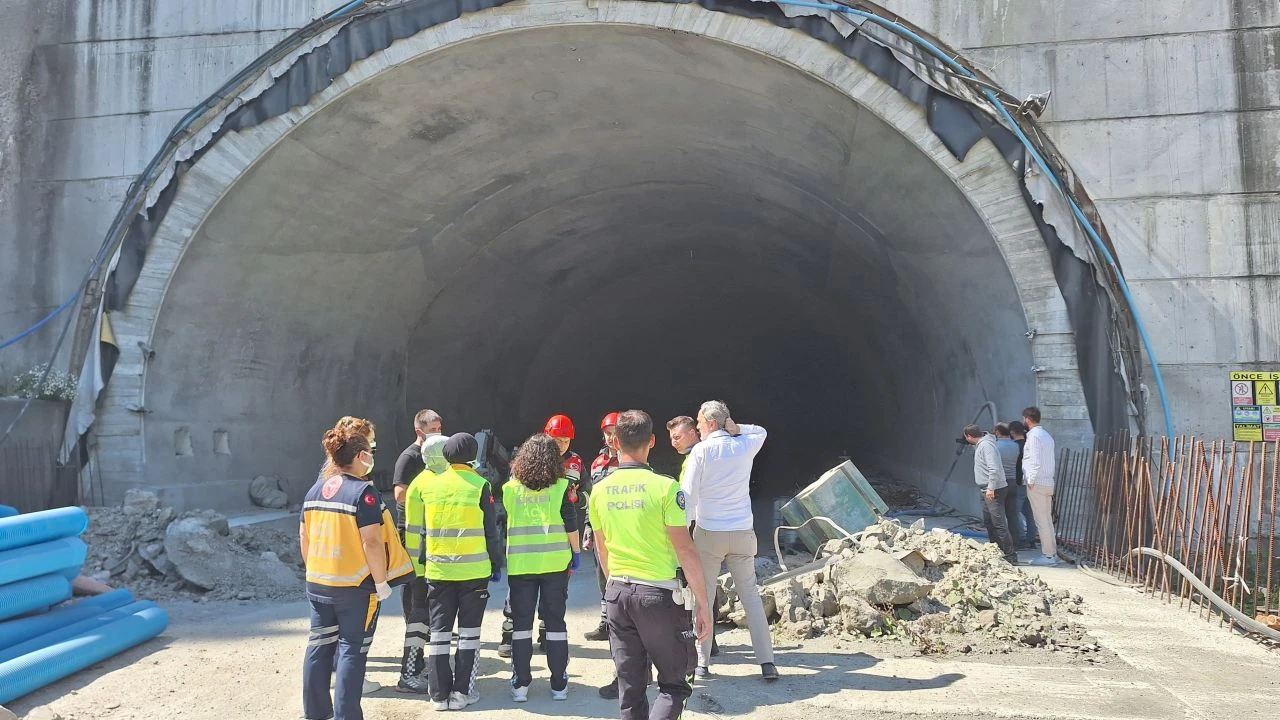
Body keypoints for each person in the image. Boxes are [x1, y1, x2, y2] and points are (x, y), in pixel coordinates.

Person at [589, 410, 713, 720]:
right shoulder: (665, 488)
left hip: (617, 591)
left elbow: (602, 551)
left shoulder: (599, 491)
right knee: (675, 685)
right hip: (658, 597)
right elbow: (685, 549)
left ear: (615, 443)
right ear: (652, 441)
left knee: (630, 688)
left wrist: (614, 589)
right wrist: (703, 604)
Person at [301, 421, 414, 720]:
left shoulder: (315, 490)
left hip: (318, 582)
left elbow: (304, 537)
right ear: (361, 456)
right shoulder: (363, 493)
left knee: (319, 645)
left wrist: (314, 569)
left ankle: (316, 713)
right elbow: (372, 542)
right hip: (354, 586)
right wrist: (381, 582)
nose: (373, 456)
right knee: (352, 649)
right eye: (371, 451)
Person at [680, 401, 777, 681]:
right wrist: (736, 428)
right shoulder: (744, 445)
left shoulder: (701, 451)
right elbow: (761, 432)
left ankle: (703, 662)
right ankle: (767, 663)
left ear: (710, 424)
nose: (697, 427)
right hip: (743, 532)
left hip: (709, 533)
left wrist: (685, 534)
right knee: (751, 597)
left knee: (704, 595)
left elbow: (688, 495)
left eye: (699, 422)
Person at [413, 432, 503, 711]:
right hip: (473, 572)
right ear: (473, 456)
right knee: (469, 633)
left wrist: (425, 561)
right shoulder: (479, 485)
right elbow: (491, 531)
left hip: (439, 571)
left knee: (439, 632)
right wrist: (496, 563)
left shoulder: (432, 486)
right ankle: (462, 693)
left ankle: (439, 695)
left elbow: (426, 532)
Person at [503, 433, 581, 702]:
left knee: (521, 624)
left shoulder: (509, 489)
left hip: (521, 565)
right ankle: (559, 685)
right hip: (554, 564)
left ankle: (521, 684)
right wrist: (577, 552)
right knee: (555, 623)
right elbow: (570, 523)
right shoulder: (561, 487)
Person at [391, 409, 443, 693]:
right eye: (434, 429)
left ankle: (419, 657)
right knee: (417, 603)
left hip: (424, 540)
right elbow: (399, 493)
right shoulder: (410, 459)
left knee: (421, 606)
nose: (438, 434)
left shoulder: (430, 470)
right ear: (420, 431)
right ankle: (410, 669)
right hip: (411, 536)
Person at [584, 411, 620, 643]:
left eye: (615, 434)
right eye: (607, 434)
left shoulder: (633, 460)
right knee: (602, 576)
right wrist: (588, 526)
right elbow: (592, 498)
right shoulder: (597, 463)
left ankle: (622, 622)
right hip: (602, 530)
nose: (610, 438)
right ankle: (607, 621)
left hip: (624, 529)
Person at [964, 424, 1018, 564]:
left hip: (994, 490)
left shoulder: (987, 446)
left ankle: (1010, 555)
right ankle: (996, 551)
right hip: (986, 489)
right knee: (989, 522)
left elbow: (993, 468)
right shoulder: (982, 445)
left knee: (998, 523)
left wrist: (991, 488)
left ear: (969, 436)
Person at [1021, 407, 1059, 566]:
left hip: (1037, 483)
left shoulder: (1034, 437)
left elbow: (1034, 460)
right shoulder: (1046, 435)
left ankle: (1048, 555)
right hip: (1047, 481)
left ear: (1027, 419)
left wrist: (1030, 479)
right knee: (1047, 520)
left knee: (1041, 521)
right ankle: (1052, 553)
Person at [993, 423, 1025, 548]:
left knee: (997, 514)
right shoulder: (1015, 445)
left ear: (997, 432)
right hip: (1013, 482)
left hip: (1000, 482)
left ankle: (1001, 543)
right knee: (1012, 515)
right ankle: (1016, 542)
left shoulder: (995, 446)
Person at [1009, 420, 1037, 549]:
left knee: (1015, 512)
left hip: (1019, 482)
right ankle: (1031, 539)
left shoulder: (1014, 447)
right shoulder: (1029, 444)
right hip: (1031, 482)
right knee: (1029, 512)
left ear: (1012, 432)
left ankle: (1020, 538)